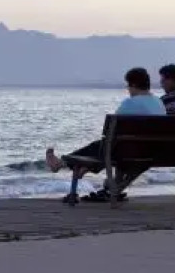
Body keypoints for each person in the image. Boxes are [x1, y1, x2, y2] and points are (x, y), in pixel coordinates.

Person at [45, 67, 166, 202]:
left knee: (102, 144)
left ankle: (61, 163)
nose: (128, 89)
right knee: (107, 146)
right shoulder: (159, 102)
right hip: (152, 152)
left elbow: (112, 131)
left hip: (128, 153)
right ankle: (82, 167)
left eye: (128, 86)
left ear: (133, 85)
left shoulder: (130, 103)